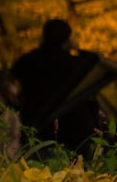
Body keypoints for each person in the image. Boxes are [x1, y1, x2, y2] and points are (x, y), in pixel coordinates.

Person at [9, 19, 102, 156]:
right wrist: (78, 49)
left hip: (36, 128)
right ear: (67, 39)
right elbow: (95, 63)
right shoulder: (76, 65)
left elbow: (13, 76)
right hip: (73, 130)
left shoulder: (27, 61)